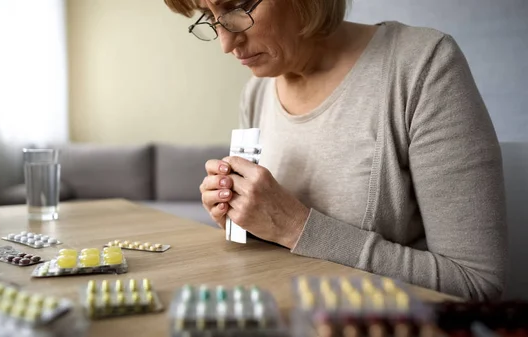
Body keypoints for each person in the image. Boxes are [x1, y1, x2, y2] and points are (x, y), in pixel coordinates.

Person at [163, 0, 507, 301]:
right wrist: (244, 217)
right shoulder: (256, 92)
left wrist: (297, 227)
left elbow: (476, 284)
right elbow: (277, 252)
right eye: (209, 17)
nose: (226, 42)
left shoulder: (422, 66)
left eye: (237, 7)